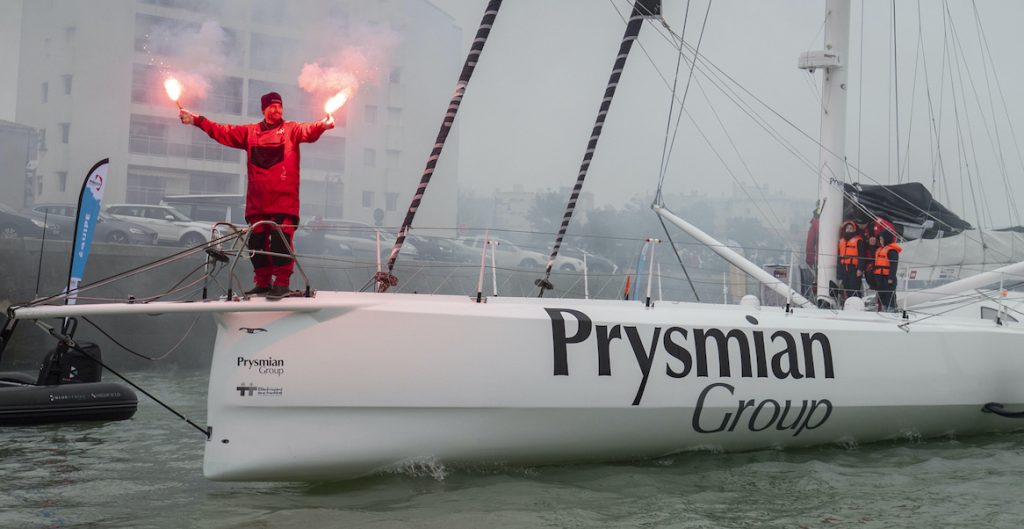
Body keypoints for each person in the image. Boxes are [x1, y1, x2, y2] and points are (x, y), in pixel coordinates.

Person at [179, 92, 335, 300]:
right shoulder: (249, 133)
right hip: (257, 204)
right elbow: (222, 131)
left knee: (281, 242)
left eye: (279, 106)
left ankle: (281, 284)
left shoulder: (291, 130)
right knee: (256, 244)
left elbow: (309, 130)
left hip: (283, 202)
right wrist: (197, 120)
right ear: (263, 109)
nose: (277, 110)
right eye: (272, 106)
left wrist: (323, 125)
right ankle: (262, 283)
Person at [872, 228, 902, 311]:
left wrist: (891, 278)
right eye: (880, 239)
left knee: (890, 295)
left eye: (882, 239)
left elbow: (894, 265)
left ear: (886, 239)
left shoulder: (892, 251)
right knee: (882, 294)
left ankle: (892, 309)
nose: (880, 241)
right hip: (879, 276)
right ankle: (885, 308)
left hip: (887, 277)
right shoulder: (879, 250)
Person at [837, 220, 866, 301]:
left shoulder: (858, 240)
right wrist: (839, 272)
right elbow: (839, 257)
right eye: (847, 228)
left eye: (851, 228)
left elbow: (862, 255)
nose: (849, 229)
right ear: (845, 229)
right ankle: (848, 303)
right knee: (846, 287)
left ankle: (857, 304)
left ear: (854, 230)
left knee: (855, 287)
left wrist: (860, 269)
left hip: (855, 268)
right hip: (844, 267)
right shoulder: (841, 241)